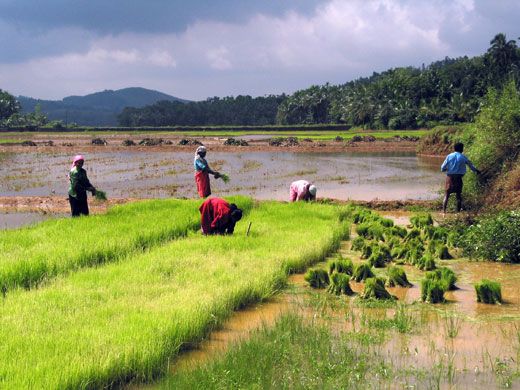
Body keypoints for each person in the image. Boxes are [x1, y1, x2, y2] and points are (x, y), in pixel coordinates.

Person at [441, 142, 480, 214]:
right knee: (458, 196)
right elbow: (471, 166)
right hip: (459, 178)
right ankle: (458, 213)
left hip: (450, 178)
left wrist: (448, 169)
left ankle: (444, 212)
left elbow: (442, 168)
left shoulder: (449, 156)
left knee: (446, 195)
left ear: (454, 148)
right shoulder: (463, 157)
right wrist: (477, 171)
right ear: (461, 149)